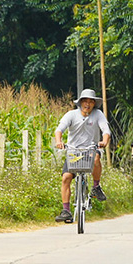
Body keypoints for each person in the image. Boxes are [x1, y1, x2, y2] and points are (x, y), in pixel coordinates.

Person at [53, 89, 111, 223]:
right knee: (66, 177)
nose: (88, 104)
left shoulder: (98, 114)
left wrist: (104, 141)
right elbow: (59, 129)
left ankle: (96, 186)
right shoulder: (71, 115)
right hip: (74, 151)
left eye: (91, 101)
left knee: (96, 158)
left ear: (94, 104)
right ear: (80, 102)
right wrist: (58, 141)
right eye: (85, 101)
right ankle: (66, 210)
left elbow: (106, 130)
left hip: (91, 149)